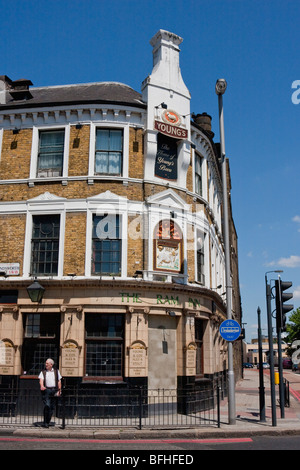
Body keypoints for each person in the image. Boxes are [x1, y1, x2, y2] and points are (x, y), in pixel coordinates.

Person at [38, 358, 62, 428]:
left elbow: (59, 381)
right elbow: (41, 380)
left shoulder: (56, 371)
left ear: (51, 364)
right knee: (47, 405)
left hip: (54, 390)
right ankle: (45, 422)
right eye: (45, 363)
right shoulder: (43, 372)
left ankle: (47, 422)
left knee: (52, 407)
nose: (46, 365)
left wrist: (59, 390)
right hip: (47, 390)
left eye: (47, 364)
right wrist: (42, 386)